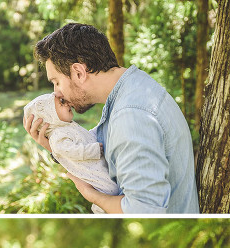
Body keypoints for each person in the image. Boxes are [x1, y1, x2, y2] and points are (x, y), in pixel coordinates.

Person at [23, 23, 199, 214]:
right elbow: (107, 149)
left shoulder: (131, 115)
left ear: (79, 72)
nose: (56, 94)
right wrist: (55, 147)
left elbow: (143, 211)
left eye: (57, 82)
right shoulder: (132, 88)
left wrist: (91, 195)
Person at [22, 93, 120, 213]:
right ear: (49, 115)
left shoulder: (67, 127)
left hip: (100, 166)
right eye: (62, 102)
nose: (68, 103)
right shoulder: (57, 137)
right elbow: (72, 151)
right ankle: (100, 210)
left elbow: (87, 137)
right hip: (95, 174)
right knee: (111, 189)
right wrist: (93, 150)